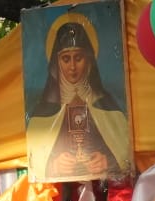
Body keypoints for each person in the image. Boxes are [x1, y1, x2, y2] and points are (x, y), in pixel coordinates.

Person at [27, 14, 131, 181]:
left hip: (104, 187)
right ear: (56, 62)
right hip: (62, 193)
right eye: (66, 59)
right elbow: (34, 162)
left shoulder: (106, 105)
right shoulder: (43, 111)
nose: (73, 67)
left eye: (79, 58)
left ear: (89, 59)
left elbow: (125, 155)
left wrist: (108, 161)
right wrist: (53, 165)